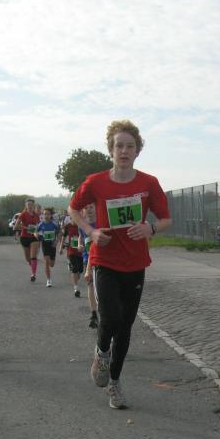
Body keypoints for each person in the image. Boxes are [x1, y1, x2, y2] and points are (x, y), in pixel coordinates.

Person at [68, 120, 172, 410]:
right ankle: (101, 353)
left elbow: (166, 219)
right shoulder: (96, 182)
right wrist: (91, 232)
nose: (124, 151)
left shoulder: (149, 183)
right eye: (119, 146)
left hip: (135, 263)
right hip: (105, 260)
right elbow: (73, 208)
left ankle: (114, 382)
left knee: (125, 326)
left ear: (137, 151)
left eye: (130, 146)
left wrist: (151, 228)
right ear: (111, 150)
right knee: (110, 316)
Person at [14, 198, 40, 282]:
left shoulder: (36, 215)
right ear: (26, 205)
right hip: (24, 237)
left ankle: (33, 274)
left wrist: (38, 231)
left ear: (33, 205)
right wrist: (27, 228)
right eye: (28, 204)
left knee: (33, 257)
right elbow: (15, 226)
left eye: (31, 204)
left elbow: (38, 225)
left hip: (34, 238)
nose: (30, 206)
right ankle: (32, 266)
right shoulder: (23, 214)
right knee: (28, 259)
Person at [36, 207, 60, 287]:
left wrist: (56, 241)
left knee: (52, 264)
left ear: (51, 215)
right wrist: (36, 235)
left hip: (52, 244)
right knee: (46, 262)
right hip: (45, 244)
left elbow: (60, 233)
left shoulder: (54, 224)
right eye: (44, 214)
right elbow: (35, 232)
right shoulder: (41, 224)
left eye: (48, 214)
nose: (46, 216)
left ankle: (50, 263)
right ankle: (48, 280)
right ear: (42, 215)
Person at [61, 214, 83, 297]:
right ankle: (76, 288)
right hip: (71, 251)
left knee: (80, 270)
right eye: (72, 218)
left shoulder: (82, 226)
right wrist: (61, 247)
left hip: (80, 252)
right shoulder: (68, 226)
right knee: (74, 269)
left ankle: (75, 273)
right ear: (70, 218)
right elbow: (63, 237)